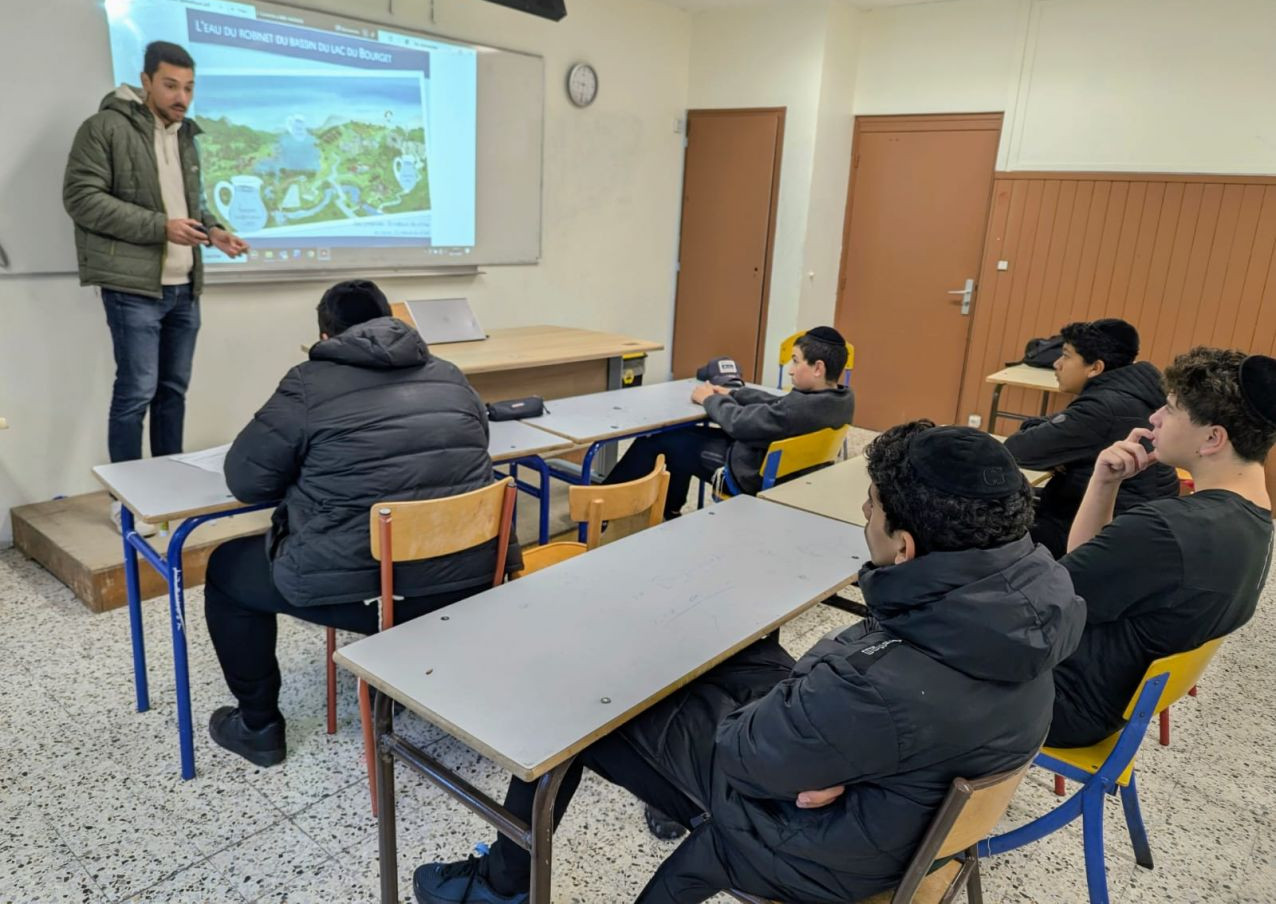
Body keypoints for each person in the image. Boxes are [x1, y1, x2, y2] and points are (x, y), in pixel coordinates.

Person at [412, 423, 1084, 904]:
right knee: (740, 644)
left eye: (872, 508)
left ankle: (501, 883)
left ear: (904, 547)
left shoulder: (878, 682)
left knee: (590, 699)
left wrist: (811, 719)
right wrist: (825, 741)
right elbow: (851, 697)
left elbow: (746, 752)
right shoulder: (1021, 610)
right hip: (887, 805)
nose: (862, 512)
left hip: (804, 846)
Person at [202, 280, 521, 767]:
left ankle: (258, 727)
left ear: (326, 337)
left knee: (225, 569)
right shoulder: (451, 375)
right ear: (392, 319)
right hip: (473, 581)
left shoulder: (307, 383)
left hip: (371, 591)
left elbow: (246, 481)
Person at [63, 40, 249, 534]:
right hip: (134, 287)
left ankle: (170, 492)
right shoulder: (103, 127)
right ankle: (126, 498)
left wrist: (214, 230)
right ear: (145, 81)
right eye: (170, 85)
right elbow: (81, 199)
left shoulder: (185, 135)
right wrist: (160, 227)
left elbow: (188, 204)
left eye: (188, 87)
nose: (181, 96)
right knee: (135, 393)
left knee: (172, 392)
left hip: (184, 285)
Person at [1049, 347, 1276, 748]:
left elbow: (1049, 600)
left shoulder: (1167, 530)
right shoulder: (1254, 521)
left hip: (1061, 702)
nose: (1153, 418)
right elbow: (1084, 568)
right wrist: (1105, 483)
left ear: (1212, 438)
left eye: (1170, 409)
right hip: (1108, 701)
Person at [604, 327, 855, 519]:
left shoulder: (798, 410)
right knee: (681, 438)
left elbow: (738, 423)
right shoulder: (840, 400)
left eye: (796, 361)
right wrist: (734, 393)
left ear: (818, 368)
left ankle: (604, 506)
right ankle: (669, 514)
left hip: (747, 474)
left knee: (661, 440)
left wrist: (709, 399)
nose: (790, 369)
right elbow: (778, 404)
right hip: (778, 468)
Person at [1004, 318, 1179, 556]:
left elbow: (1018, 449)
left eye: (1066, 356)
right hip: (1130, 522)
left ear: (1096, 368)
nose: (1056, 364)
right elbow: (1047, 431)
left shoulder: (1104, 407)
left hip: (1100, 535)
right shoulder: (1133, 392)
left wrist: (1059, 452)